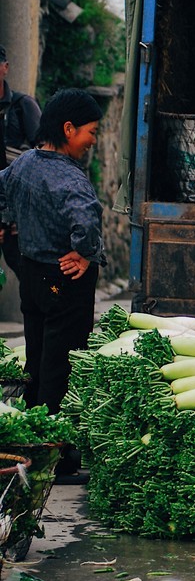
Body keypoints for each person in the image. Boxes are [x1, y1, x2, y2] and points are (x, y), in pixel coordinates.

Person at [0, 88, 105, 482]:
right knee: (61, 366)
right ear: (68, 128)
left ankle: (30, 447)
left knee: (38, 361)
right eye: (90, 131)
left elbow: (1, 188)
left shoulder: (23, 164)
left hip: (31, 277)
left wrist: (5, 222)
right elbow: (87, 219)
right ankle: (57, 459)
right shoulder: (70, 178)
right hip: (65, 281)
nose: (93, 139)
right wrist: (83, 253)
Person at [0, 44, 43, 280]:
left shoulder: (22, 105)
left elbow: (45, 153)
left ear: (5, 68)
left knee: (23, 267)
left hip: (16, 204)